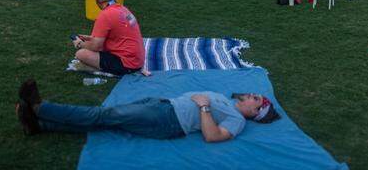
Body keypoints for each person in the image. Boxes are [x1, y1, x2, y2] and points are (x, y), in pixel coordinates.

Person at [15, 79, 278, 141]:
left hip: (168, 121)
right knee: (106, 121)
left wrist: (205, 106)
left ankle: (40, 108)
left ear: (256, 113)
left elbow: (213, 136)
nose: (254, 95)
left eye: (258, 101)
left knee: (103, 116)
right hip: (163, 106)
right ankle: (40, 125)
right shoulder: (230, 102)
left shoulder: (237, 122)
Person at [71, 0, 145, 76]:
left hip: (127, 64)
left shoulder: (105, 15)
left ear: (97, 1)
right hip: (138, 59)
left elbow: (96, 47)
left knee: (81, 54)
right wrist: (91, 38)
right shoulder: (123, 9)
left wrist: (79, 43)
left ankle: (100, 69)